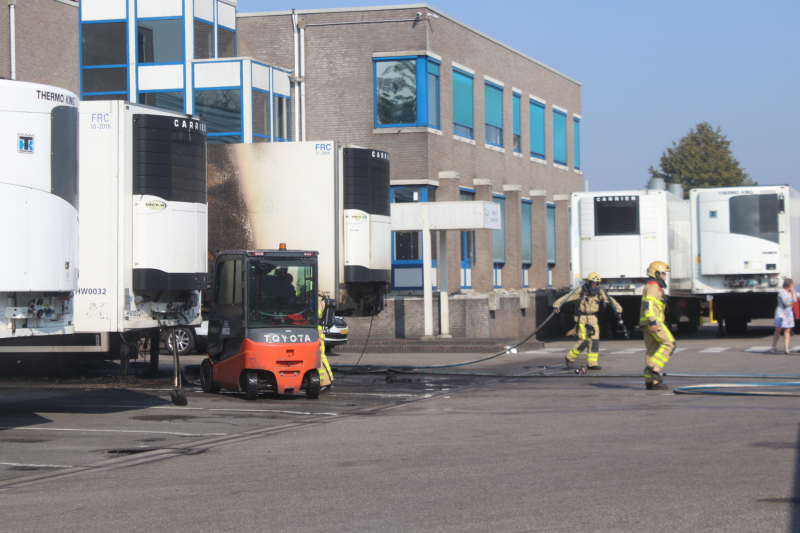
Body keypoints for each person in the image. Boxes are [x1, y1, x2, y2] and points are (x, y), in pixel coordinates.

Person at [553, 272, 622, 370]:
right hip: (582, 319)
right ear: (589, 282)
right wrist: (557, 305)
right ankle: (570, 358)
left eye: (596, 283)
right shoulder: (580, 291)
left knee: (594, 341)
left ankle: (592, 363)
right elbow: (567, 297)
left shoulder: (600, 292)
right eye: (592, 282)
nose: (594, 284)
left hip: (593, 319)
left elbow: (610, 300)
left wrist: (618, 310)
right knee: (584, 341)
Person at [640, 261, 674, 391]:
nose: (665, 276)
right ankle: (653, 369)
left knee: (652, 352)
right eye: (664, 273)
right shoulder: (654, 286)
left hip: (645, 323)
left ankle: (651, 382)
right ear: (657, 273)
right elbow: (648, 304)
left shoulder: (650, 285)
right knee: (669, 344)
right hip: (653, 323)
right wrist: (654, 321)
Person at [771, 279, 797, 354]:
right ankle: (773, 347)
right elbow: (786, 303)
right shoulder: (781, 292)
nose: (792, 286)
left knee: (787, 330)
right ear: (789, 285)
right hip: (781, 313)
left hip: (788, 313)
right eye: (792, 285)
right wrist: (792, 303)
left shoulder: (790, 292)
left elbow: (795, 301)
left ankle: (786, 348)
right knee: (778, 330)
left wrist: (793, 291)